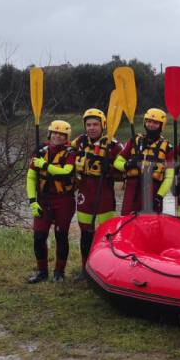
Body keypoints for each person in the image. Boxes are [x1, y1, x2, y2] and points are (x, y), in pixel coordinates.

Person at [73, 108, 122, 278]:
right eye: (88, 125)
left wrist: (110, 169)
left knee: (106, 235)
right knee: (86, 232)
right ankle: (85, 268)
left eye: (95, 124)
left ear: (103, 126)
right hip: (85, 193)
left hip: (104, 195)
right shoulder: (79, 142)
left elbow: (124, 172)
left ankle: (104, 270)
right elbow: (65, 155)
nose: (91, 128)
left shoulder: (114, 146)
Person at [25, 119, 76, 283]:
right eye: (55, 133)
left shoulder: (71, 152)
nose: (58, 136)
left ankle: (59, 272)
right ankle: (42, 271)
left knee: (61, 235)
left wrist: (45, 165)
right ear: (50, 133)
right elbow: (31, 177)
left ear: (67, 137)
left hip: (64, 200)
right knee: (39, 236)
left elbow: (66, 172)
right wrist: (33, 201)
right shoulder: (40, 150)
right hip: (43, 200)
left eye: (62, 134)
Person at [114, 108, 174, 215]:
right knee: (127, 224)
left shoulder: (168, 147)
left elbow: (169, 177)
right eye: (149, 121)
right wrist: (128, 165)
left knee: (150, 227)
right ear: (144, 122)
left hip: (153, 193)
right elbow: (117, 162)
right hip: (132, 191)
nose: (151, 125)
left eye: (155, 123)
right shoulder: (134, 140)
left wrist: (159, 196)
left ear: (162, 125)